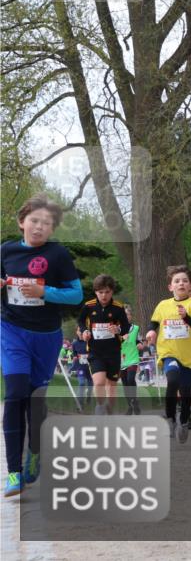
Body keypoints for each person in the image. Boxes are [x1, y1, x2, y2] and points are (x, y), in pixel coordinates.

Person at [1, 195, 83, 496]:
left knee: (35, 400)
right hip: (11, 331)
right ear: (22, 221)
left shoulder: (57, 254)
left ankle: (34, 451)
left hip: (46, 336)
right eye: (34, 221)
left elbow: (75, 295)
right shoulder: (6, 251)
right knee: (14, 395)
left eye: (46, 224)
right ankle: (13, 472)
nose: (38, 227)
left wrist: (43, 291)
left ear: (52, 230)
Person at [146, 265, 191, 443]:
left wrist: (186, 318)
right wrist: (151, 332)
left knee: (186, 391)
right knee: (172, 380)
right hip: (169, 352)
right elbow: (153, 323)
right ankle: (170, 418)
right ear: (170, 287)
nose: (181, 283)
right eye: (177, 281)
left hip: (189, 358)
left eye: (185, 281)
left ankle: (183, 420)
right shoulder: (163, 305)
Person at [77, 274, 130, 414]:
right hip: (95, 351)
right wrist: (84, 331)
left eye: (107, 292)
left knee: (111, 389)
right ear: (96, 292)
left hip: (113, 352)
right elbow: (81, 321)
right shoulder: (89, 306)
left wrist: (118, 329)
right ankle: (99, 406)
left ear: (112, 291)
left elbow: (126, 327)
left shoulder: (118, 308)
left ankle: (110, 412)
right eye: (101, 292)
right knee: (99, 382)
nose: (104, 296)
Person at [120, 305, 143, 415]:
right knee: (125, 384)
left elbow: (139, 340)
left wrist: (140, 345)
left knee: (130, 379)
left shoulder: (136, 328)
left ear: (130, 316)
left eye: (127, 314)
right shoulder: (116, 329)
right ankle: (131, 405)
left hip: (132, 357)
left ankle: (134, 400)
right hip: (121, 359)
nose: (125, 316)